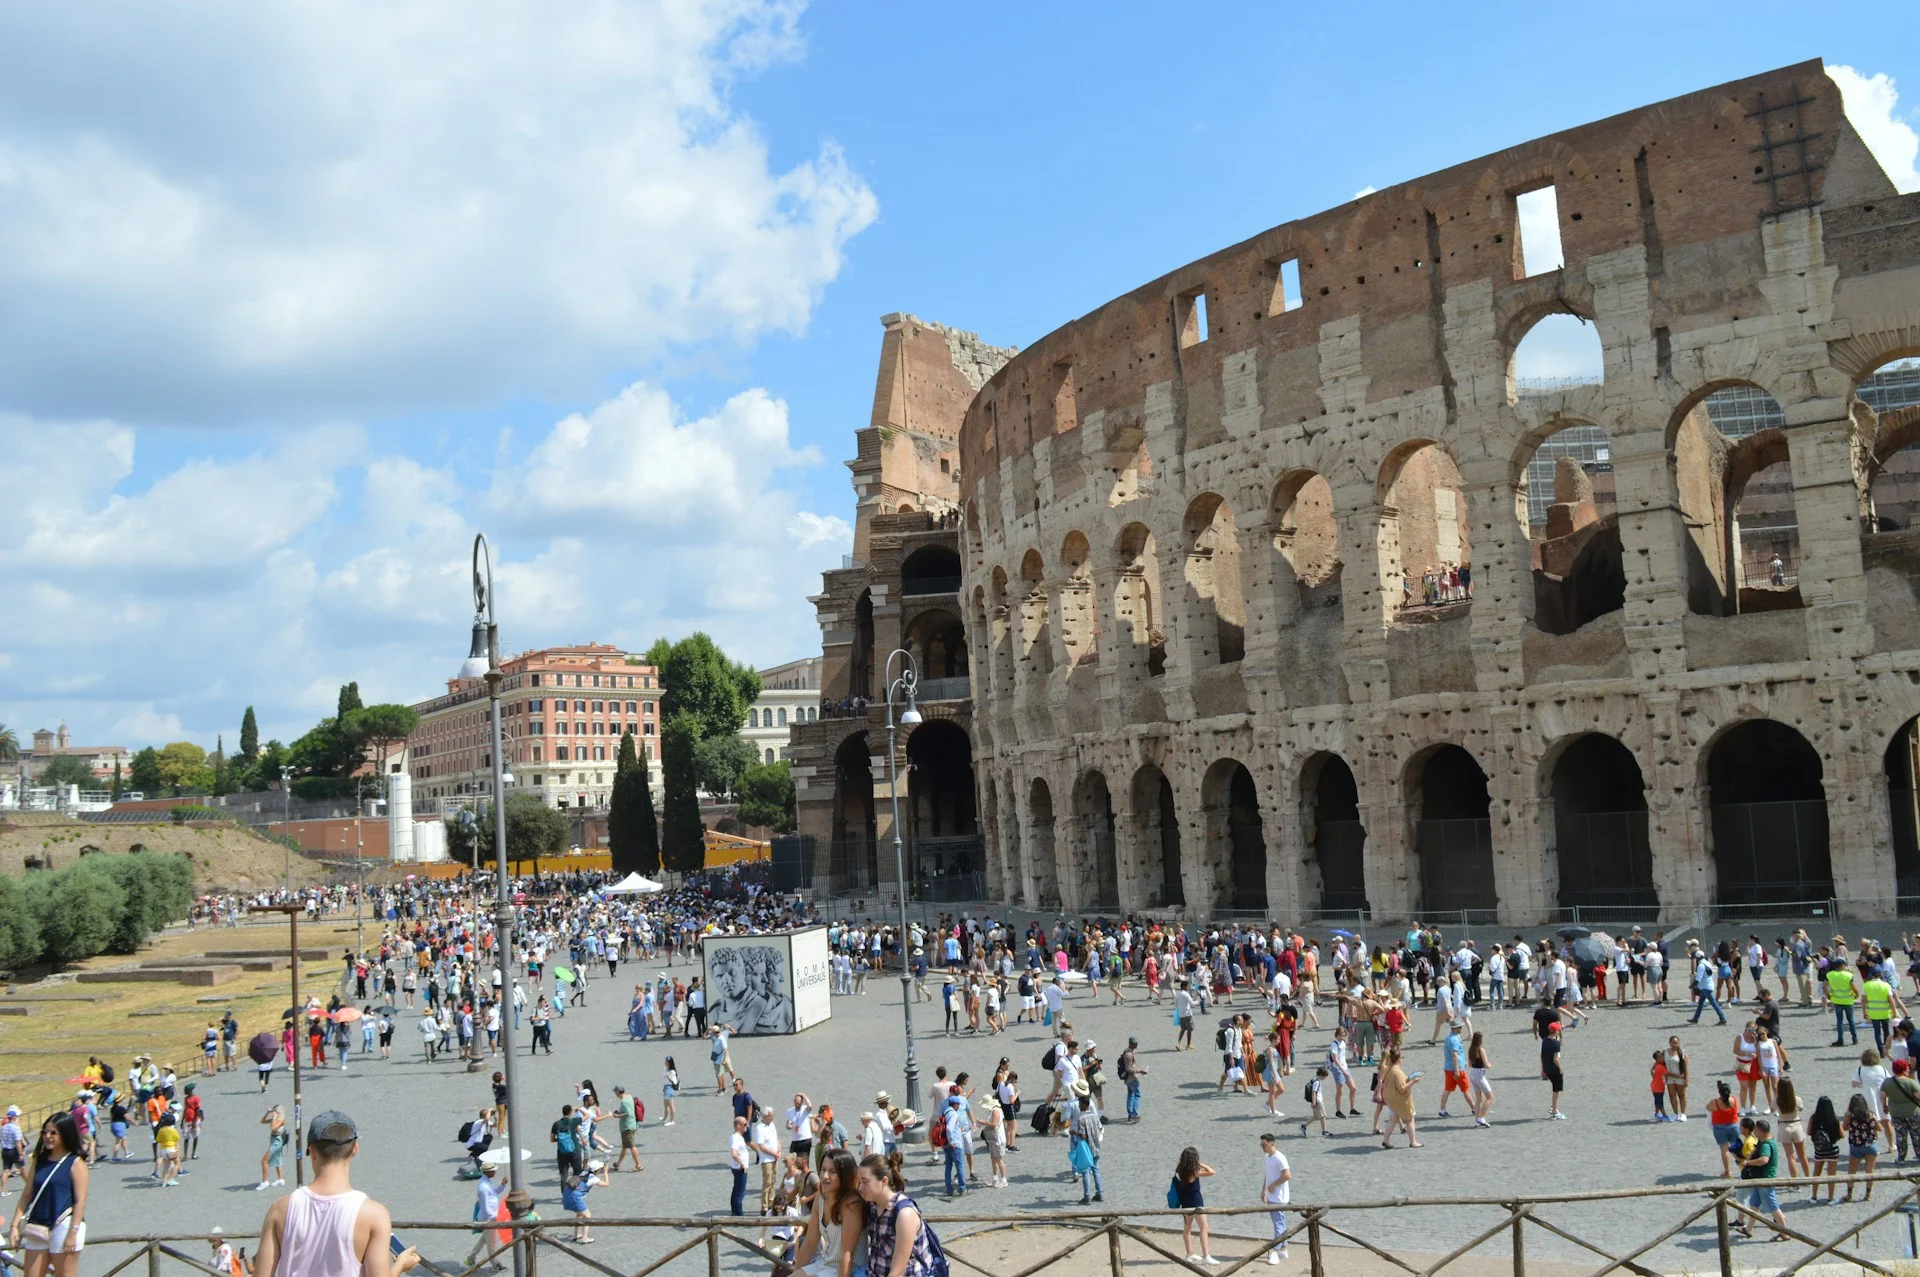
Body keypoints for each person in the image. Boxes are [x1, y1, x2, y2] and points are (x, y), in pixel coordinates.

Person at [251, 1110, 421, 1277]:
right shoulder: (374, 1214)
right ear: (355, 1148)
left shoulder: (280, 1208)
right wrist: (399, 1266)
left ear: (312, 1152)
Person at [6, 1114, 88, 1277]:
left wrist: (73, 1231)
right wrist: (14, 1225)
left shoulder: (75, 1162)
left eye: (53, 1133)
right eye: (45, 1132)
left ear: (65, 1134)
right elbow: (26, 1195)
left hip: (64, 1224)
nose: (47, 1137)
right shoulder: (39, 1160)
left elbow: (80, 1201)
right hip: (38, 1225)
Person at [856, 1151, 942, 1277]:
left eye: (865, 1181)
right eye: (859, 1181)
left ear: (884, 1181)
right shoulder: (872, 1205)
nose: (860, 1187)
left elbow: (898, 1272)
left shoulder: (904, 1213)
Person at [794, 1148, 869, 1277]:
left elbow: (848, 1253)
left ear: (845, 1176)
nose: (824, 1176)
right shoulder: (820, 1198)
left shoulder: (851, 1204)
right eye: (823, 1170)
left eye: (832, 1171)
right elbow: (810, 1243)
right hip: (826, 1262)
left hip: (848, 1268)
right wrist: (795, 1272)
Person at [1734, 1117, 1788, 1241]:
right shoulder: (1766, 1141)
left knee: (1773, 1206)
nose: (1755, 1132)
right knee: (1754, 1203)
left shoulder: (1766, 1145)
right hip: (1760, 1178)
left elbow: (1764, 1159)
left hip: (1765, 1178)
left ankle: (1784, 1233)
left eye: (1756, 1130)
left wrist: (1748, 1163)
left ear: (1761, 1131)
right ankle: (1749, 1229)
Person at [1171, 1146, 1217, 1266]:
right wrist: (1201, 1163)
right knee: (1204, 1227)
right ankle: (1206, 1255)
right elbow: (1212, 1172)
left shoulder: (1180, 1169)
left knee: (1187, 1229)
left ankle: (1189, 1254)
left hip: (1185, 1201)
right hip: (1196, 1201)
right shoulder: (1194, 1171)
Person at [463, 1163, 507, 1272]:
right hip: (488, 1219)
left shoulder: (487, 1182)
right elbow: (485, 1205)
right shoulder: (483, 1187)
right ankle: (495, 1263)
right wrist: (493, 1218)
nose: (495, 1172)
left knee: (484, 1240)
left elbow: (493, 1194)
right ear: (487, 1172)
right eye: (493, 1170)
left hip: (488, 1217)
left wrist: (502, 1186)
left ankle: (470, 1258)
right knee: (491, 1243)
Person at [1258, 1132, 1291, 1265]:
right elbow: (1268, 1174)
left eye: (1264, 1144)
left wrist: (1273, 1185)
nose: (1262, 1146)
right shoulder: (1267, 1157)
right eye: (1261, 1144)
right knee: (1279, 1222)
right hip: (1272, 1195)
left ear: (1272, 1144)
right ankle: (1283, 1248)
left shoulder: (1279, 1158)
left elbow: (1287, 1175)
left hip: (1279, 1197)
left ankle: (1276, 1250)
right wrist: (1264, 1190)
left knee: (1278, 1223)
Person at [1844, 1093, 1880, 1202]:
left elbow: (1844, 1128)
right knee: (1870, 1171)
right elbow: (1880, 1128)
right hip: (1870, 1145)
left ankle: (1849, 1194)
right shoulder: (1871, 1114)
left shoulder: (1849, 1115)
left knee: (1852, 1172)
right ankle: (1868, 1194)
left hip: (1856, 1145)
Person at [561, 1163, 608, 1243]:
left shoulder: (584, 1172)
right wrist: (606, 1172)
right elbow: (606, 1184)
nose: (601, 1170)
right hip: (575, 1197)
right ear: (596, 1170)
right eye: (600, 1169)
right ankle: (585, 1238)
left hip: (567, 1194)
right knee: (587, 1215)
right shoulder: (593, 1178)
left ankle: (575, 1235)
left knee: (579, 1214)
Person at [1069, 1089, 1101, 1204]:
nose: (1079, 1106)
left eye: (1080, 1105)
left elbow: (1082, 1135)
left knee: (1086, 1172)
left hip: (1086, 1148)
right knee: (1096, 1170)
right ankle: (1099, 1193)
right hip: (1096, 1146)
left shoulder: (1081, 1119)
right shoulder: (1095, 1116)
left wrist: (1074, 1133)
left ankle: (1087, 1196)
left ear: (1084, 1105)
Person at [1809, 1095, 1843, 1204]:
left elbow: (1809, 1132)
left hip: (1819, 1150)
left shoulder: (1814, 1118)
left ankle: (1814, 1196)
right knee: (1831, 1175)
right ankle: (1830, 1198)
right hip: (1832, 1150)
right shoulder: (1834, 1120)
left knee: (1816, 1173)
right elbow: (1842, 1135)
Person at [1708, 1081, 1741, 1177]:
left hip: (1719, 1128)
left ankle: (1728, 1171)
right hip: (1733, 1126)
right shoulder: (1734, 1100)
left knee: (1724, 1150)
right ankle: (1743, 1169)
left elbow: (1708, 1107)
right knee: (1736, 1149)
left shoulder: (1715, 1102)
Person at [1539, 1020, 1566, 1121]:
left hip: (1547, 1067)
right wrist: (1560, 1068)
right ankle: (1554, 1110)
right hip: (1554, 1069)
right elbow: (1556, 1058)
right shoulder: (1556, 1043)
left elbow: (1541, 1055)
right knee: (1556, 1090)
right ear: (1556, 1031)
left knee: (1555, 1089)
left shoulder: (1545, 1040)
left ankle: (1553, 1107)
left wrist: (1542, 1069)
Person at [612, 1086, 642, 1173]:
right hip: (631, 1124)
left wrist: (616, 1115)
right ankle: (618, 1164)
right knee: (625, 1146)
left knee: (632, 1146)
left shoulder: (624, 1101)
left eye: (615, 1092)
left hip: (627, 1127)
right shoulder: (629, 1096)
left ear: (618, 1092)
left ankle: (638, 1165)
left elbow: (627, 1114)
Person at [728, 1115, 752, 1217]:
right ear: (738, 1125)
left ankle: (734, 1212)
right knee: (740, 1193)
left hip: (737, 1167)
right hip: (739, 1168)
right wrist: (742, 1164)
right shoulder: (736, 1138)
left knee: (736, 1190)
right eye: (745, 1124)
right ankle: (738, 1214)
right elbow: (734, 1153)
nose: (747, 1126)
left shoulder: (736, 1137)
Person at [661, 1058, 679, 1127]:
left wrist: (669, 1077)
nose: (665, 1062)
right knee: (665, 1104)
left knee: (671, 1105)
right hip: (666, 1087)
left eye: (666, 1061)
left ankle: (672, 1120)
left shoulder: (672, 1071)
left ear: (669, 1063)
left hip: (669, 1088)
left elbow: (674, 1082)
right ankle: (664, 1118)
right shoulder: (666, 1068)